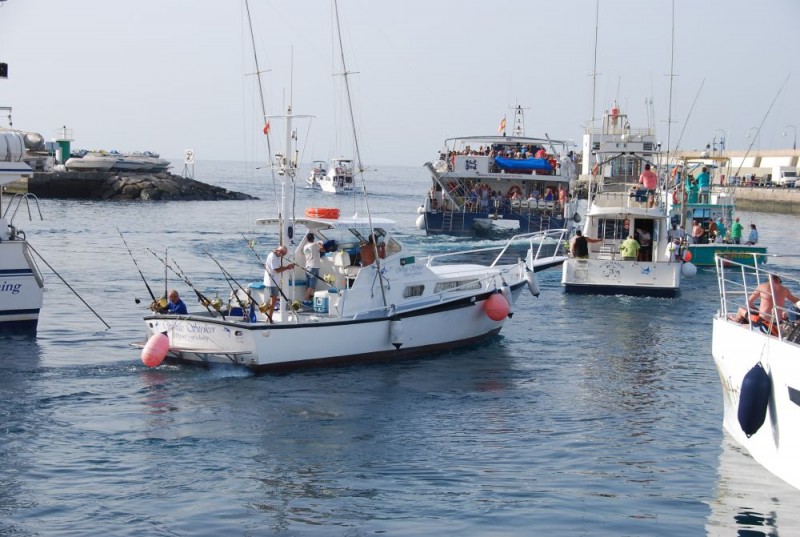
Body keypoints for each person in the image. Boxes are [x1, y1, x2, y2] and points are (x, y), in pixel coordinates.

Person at [736, 274, 800, 326]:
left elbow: (748, 303)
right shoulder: (784, 289)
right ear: (778, 280)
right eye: (780, 282)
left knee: (740, 309)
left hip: (762, 322)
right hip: (778, 322)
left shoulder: (762, 287)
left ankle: (736, 322)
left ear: (769, 280)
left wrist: (756, 310)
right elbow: (795, 300)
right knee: (783, 313)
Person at [263, 245, 295, 322]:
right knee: (273, 301)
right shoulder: (273, 257)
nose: (282, 256)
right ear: (280, 251)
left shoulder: (273, 256)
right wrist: (287, 267)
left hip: (272, 281)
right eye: (283, 254)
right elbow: (276, 270)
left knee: (272, 300)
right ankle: (269, 318)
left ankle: (268, 317)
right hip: (272, 282)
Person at [295, 232, 324, 306]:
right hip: (314, 267)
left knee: (308, 285)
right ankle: (305, 300)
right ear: (313, 239)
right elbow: (323, 250)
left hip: (307, 267)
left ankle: (308, 300)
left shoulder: (305, 247)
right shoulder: (314, 245)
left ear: (307, 239)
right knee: (312, 286)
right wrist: (320, 244)